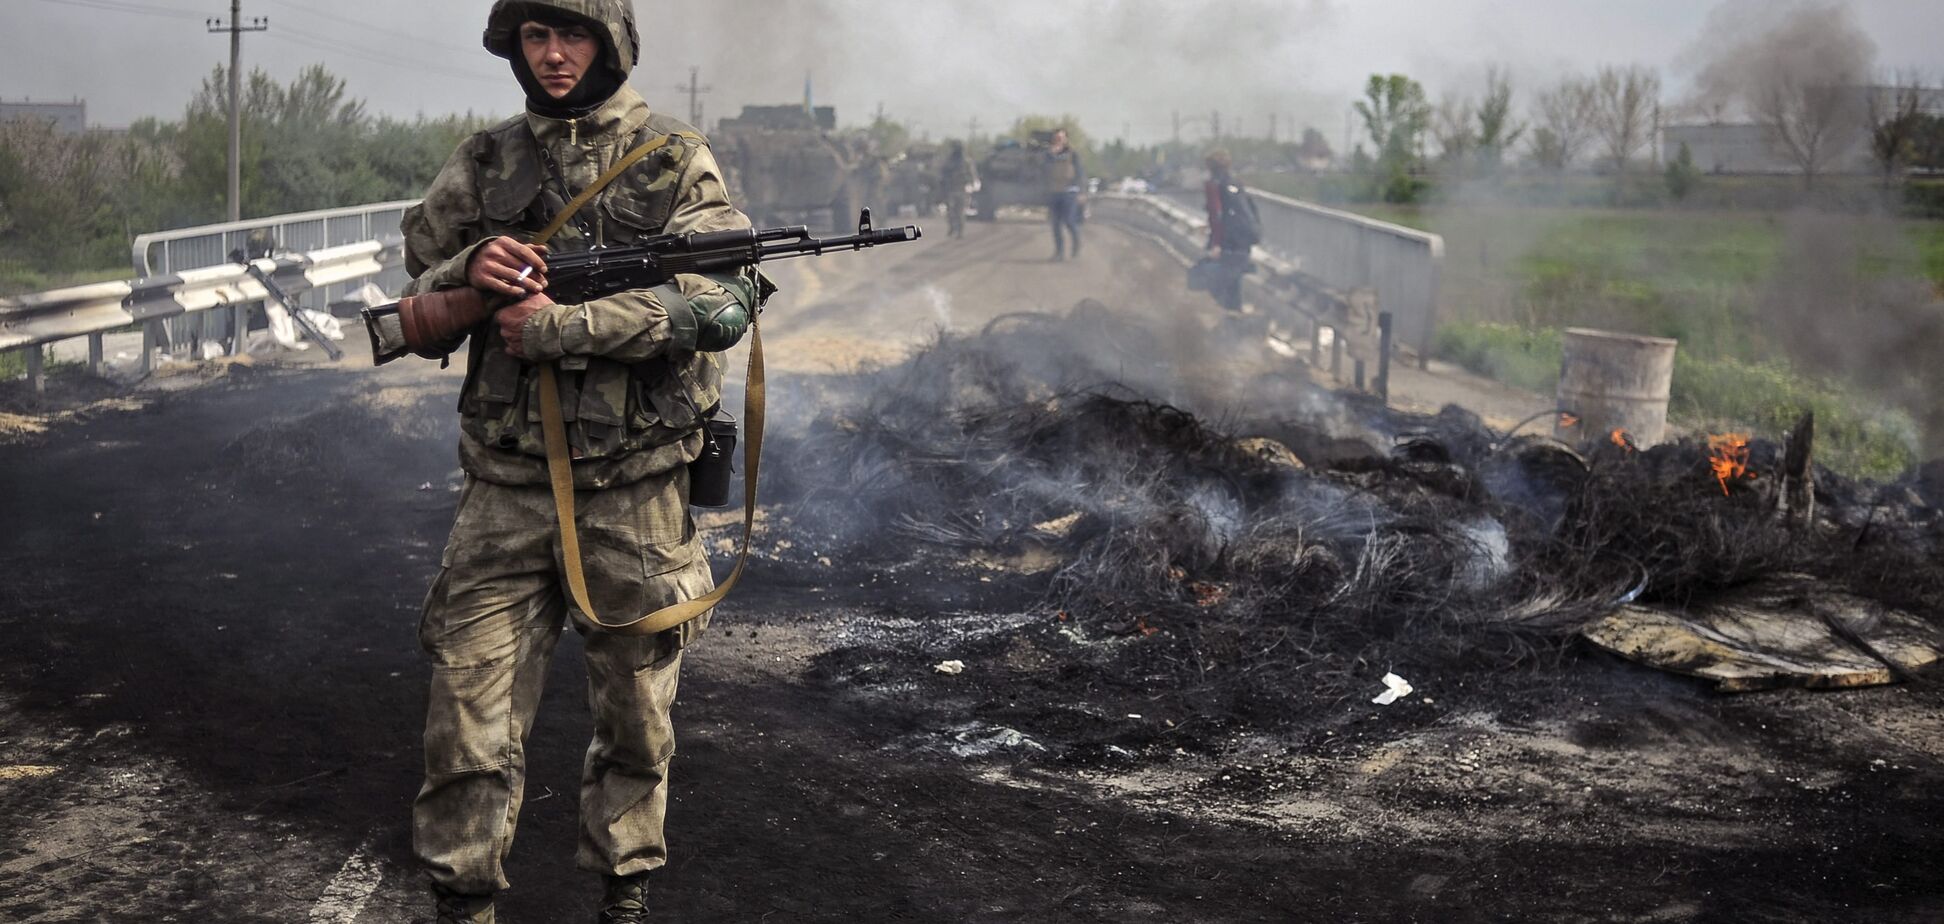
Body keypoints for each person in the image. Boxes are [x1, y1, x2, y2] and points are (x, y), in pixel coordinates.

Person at [394, 2, 763, 921]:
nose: (554, 57)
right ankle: (462, 901)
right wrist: (475, 268)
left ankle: (624, 897)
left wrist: (570, 326)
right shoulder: (485, 161)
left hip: (635, 492)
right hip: (505, 491)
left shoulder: (674, 157)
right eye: (534, 38)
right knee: (465, 723)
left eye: (573, 36)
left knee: (637, 722)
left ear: (612, 45)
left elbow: (725, 302)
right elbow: (418, 279)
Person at [1201, 148, 1259, 312]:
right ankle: (1235, 317)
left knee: (1212, 279)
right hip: (1243, 242)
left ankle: (1228, 322)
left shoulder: (1214, 185)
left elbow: (1217, 215)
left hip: (1227, 243)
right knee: (1234, 282)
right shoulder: (1236, 184)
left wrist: (1216, 244)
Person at [1044, 128, 1085, 260]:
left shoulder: (1073, 154)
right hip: (1054, 191)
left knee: (1069, 221)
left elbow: (1079, 173)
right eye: (1056, 138)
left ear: (1066, 139)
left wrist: (1081, 191)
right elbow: (1043, 171)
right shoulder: (1048, 155)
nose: (1058, 141)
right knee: (1055, 224)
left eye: (1061, 138)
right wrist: (1050, 155)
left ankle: (1076, 243)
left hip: (1070, 191)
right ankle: (1059, 252)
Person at [937, 139, 978, 238]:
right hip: (951, 189)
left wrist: (971, 183)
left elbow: (971, 174)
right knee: (952, 212)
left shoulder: (965, 161)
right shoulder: (949, 161)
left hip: (960, 189)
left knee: (959, 212)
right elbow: (942, 175)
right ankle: (953, 228)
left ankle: (959, 231)